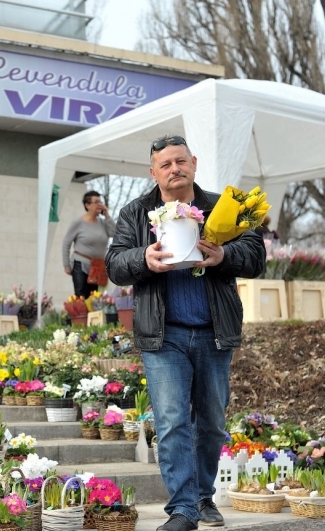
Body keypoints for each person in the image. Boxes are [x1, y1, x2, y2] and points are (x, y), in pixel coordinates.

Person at [105, 135, 265, 531]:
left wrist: (224, 255)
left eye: (181, 161)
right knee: (173, 420)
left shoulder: (223, 208)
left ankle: (202, 496)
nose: (174, 169)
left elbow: (257, 257)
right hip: (164, 336)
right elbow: (114, 265)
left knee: (211, 421)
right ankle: (182, 511)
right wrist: (143, 258)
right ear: (153, 172)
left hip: (214, 332)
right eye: (166, 164)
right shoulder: (136, 213)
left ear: (193, 163)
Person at [62, 190, 116, 298]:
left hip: (98, 266)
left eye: (100, 202)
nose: (99, 204)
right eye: (96, 202)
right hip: (80, 264)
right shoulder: (78, 223)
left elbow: (114, 233)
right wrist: (66, 265)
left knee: (95, 298)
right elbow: (66, 243)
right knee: (81, 296)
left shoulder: (102, 222)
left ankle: (92, 316)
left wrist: (107, 215)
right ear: (87, 205)